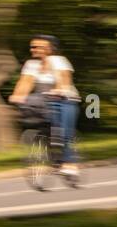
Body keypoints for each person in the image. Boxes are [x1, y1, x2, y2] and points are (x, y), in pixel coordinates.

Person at [9, 34, 80, 178]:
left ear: (49, 48)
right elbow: (25, 82)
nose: (33, 49)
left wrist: (60, 89)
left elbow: (64, 78)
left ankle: (70, 163)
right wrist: (17, 95)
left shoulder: (59, 61)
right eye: (32, 46)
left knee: (63, 131)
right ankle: (54, 157)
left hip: (65, 99)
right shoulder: (31, 64)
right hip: (43, 102)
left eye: (37, 46)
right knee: (44, 127)